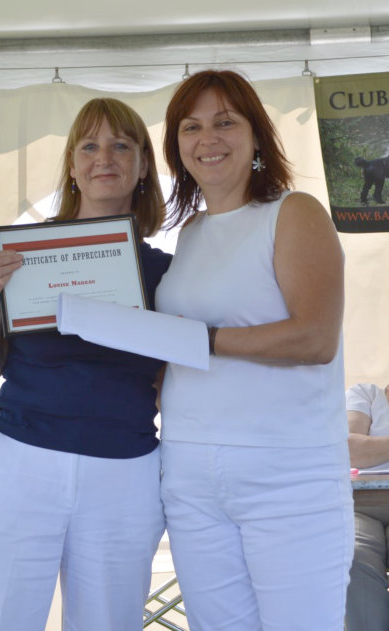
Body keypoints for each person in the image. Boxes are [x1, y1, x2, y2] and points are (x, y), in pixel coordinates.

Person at [0, 98, 171, 631]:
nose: (104, 158)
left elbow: (175, 384)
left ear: (143, 165)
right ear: (72, 165)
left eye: (121, 146)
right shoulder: (24, 258)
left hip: (124, 472)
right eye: (89, 146)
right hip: (19, 463)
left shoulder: (169, 272)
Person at [154, 70, 355, 630]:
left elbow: (315, 338)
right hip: (189, 473)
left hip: (288, 475)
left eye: (225, 122)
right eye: (191, 127)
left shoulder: (294, 212)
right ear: (176, 147)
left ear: (256, 135)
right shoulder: (189, 233)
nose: (207, 139)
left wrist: (201, 339)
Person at [345, 382, 389, 631]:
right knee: (355, 555)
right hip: (362, 503)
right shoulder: (365, 394)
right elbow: (351, 450)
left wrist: (375, 448)